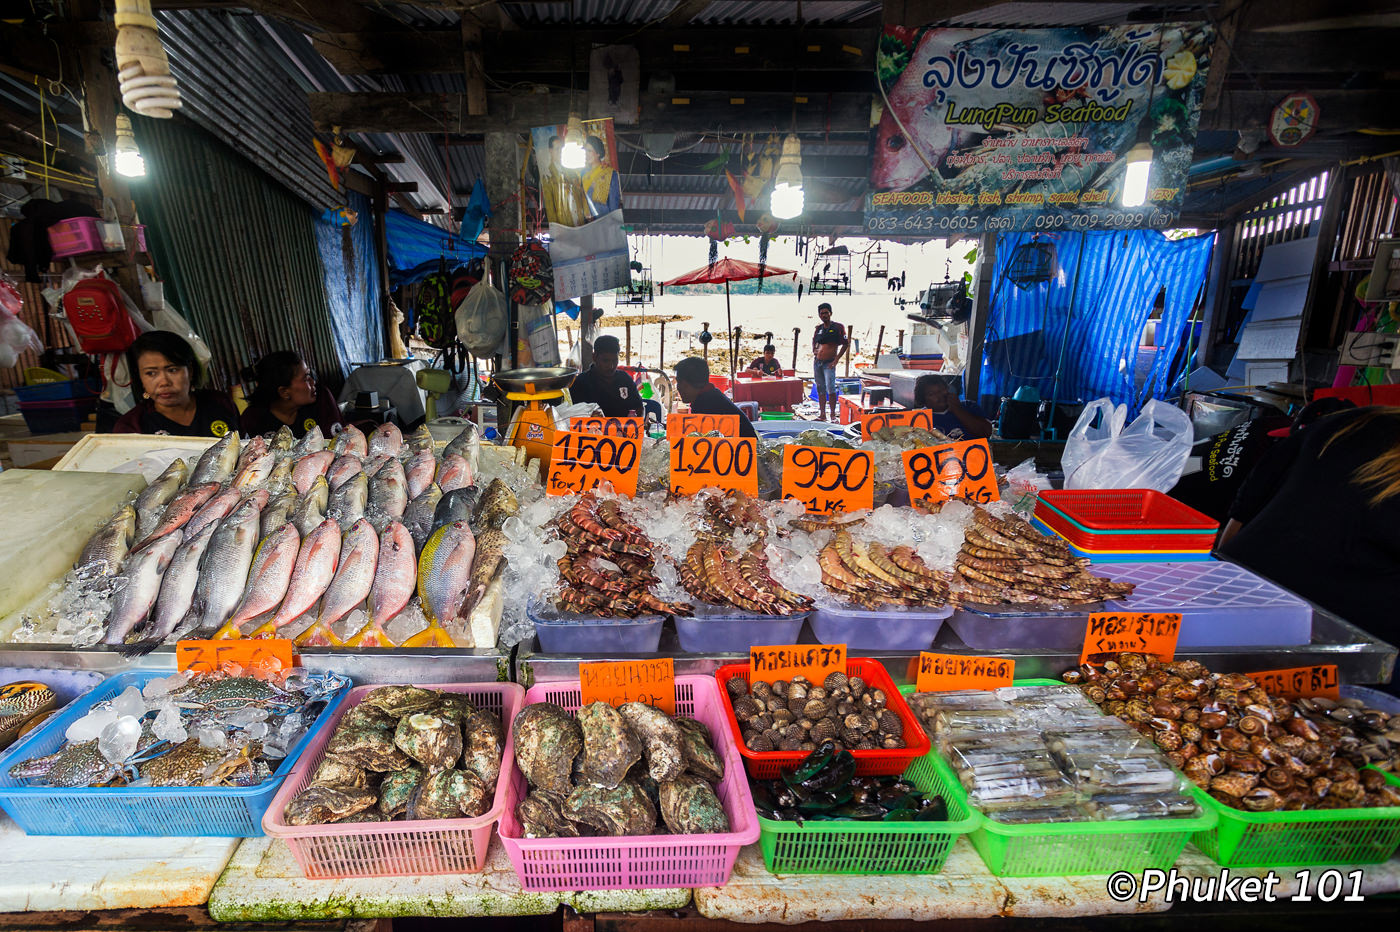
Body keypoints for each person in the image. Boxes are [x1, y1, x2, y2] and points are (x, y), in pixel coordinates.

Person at [1219, 405, 1400, 637]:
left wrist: (1223, 576)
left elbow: (1244, 509)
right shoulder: (1351, 425)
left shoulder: (1348, 421)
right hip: (1335, 635)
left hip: (1235, 596)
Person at [1171, 398, 1352, 524]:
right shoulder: (1276, 462)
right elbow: (1238, 520)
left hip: (1166, 477)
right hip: (1179, 514)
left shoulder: (1270, 422)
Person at [111, 331, 239, 437]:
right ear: (140, 377)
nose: (164, 382)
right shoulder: (131, 426)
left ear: (190, 370)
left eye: (172, 370)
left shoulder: (220, 403)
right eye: (151, 373)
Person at [240, 351, 344, 438]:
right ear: (284, 392)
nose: (313, 382)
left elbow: (339, 441)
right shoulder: (253, 419)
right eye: (306, 378)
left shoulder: (321, 399)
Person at [674, 356, 757, 439]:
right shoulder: (712, 395)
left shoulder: (705, 404)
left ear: (690, 384)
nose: (678, 387)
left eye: (680, 382)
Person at [569, 335, 643, 419]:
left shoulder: (625, 379)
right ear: (594, 357)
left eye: (615, 360)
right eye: (605, 361)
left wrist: (638, 422)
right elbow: (574, 416)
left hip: (625, 431)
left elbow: (639, 408)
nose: (611, 366)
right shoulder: (581, 382)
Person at [913, 374, 994, 440]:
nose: (940, 396)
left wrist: (957, 409)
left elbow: (986, 432)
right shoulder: (920, 418)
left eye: (941, 390)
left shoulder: (969, 406)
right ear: (922, 400)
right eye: (931, 394)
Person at [811, 302, 848, 422]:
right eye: (822, 313)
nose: (824, 315)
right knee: (820, 388)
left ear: (830, 313)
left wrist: (836, 360)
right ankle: (822, 414)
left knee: (831, 388)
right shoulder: (819, 329)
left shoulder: (838, 327)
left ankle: (832, 415)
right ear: (819, 315)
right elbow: (815, 341)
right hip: (818, 363)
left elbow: (845, 344)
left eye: (826, 313)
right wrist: (815, 349)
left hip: (829, 363)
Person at [542, 134, 586, 227]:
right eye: (557, 149)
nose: (560, 152)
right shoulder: (547, 176)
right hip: (564, 224)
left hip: (580, 220)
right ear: (550, 151)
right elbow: (550, 208)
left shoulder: (571, 170)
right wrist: (556, 230)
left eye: (562, 149)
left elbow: (580, 193)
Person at [581, 135, 621, 218]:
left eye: (589, 151)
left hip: (603, 221)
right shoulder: (583, 174)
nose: (586, 154)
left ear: (598, 153)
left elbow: (614, 205)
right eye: (585, 150)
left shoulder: (610, 173)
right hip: (585, 222)